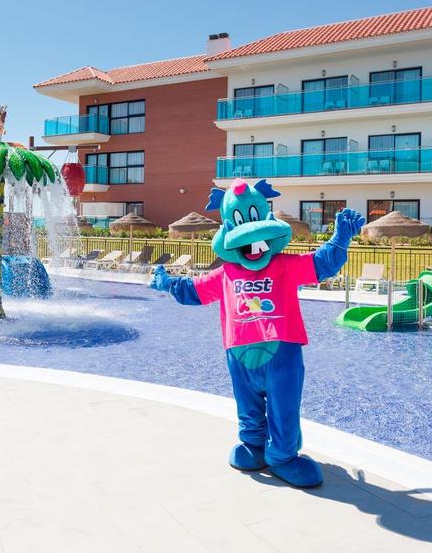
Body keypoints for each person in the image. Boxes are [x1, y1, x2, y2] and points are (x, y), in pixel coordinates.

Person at [150, 178, 363, 487]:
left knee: (283, 405)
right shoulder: (226, 274)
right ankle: (253, 444)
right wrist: (168, 283)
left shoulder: (285, 266)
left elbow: (321, 264)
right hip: (239, 353)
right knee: (246, 403)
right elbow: (195, 291)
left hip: (282, 352)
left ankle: (282, 456)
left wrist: (340, 238)